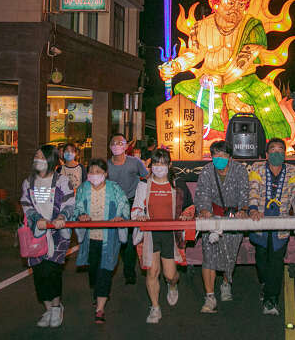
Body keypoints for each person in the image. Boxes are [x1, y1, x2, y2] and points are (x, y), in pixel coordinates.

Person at [247, 138, 295, 316]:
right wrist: (252, 209)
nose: (276, 153)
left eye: (280, 149)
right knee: (261, 260)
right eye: (272, 150)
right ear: (266, 155)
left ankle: (271, 299)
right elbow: (253, 189)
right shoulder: (257, 168)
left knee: (276, 261)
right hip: (259, 221)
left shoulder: (291, 170)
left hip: (281, 223)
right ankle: (266, 284)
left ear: (285, 153)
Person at [132, 149, 195, 324]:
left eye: (163, 163)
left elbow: (190, 207)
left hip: (170, 235)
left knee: (170, 274)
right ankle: (155, 307)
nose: (159, 167)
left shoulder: (177, 185)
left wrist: (186, 215)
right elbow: (136, 208)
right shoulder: (143, 185)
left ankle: (172, 285)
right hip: (150, 234)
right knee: (152, 272)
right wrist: (140, 216)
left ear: (170, 165)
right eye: (156, 163)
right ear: (151, 165)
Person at [20, 145, 74, 328]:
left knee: (52, 270)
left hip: (57, 234)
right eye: (36, 157)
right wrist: (37, 219)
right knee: (39, 273)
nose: (37, 160)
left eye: (41, 156)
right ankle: (48, 308)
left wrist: (61, 217)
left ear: (50, 160)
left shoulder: (62, 181)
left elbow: (69, 203)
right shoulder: (28, 182)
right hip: (36, 234)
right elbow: (26, 205)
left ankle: (57, 307)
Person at [194, 140, 250, 313]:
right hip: (212, 216)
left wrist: (243, 210)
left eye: (223, 155)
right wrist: (204, 210)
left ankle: (226, 282)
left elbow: (245, 193)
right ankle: (209, 296)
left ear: (230, 157)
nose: (219, 158)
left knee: (229, 254)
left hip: (233, 218)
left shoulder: (240, 170)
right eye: (215, 155)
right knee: (209, 255)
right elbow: (202, 193)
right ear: (211, 157)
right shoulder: (206, 171)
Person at [73, 159, 129, 324]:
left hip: (109, 237)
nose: (94, 175)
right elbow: (77, 207)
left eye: (98, 172)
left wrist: (120, 217)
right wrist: (81, 215)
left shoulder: (114, 188)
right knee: (93, 270)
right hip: (90, 239)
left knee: (105, 271)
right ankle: (98, 291)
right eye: (91, 172)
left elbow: (124, 204)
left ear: (105, 174)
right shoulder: (83, 188)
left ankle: (100, 308)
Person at [107, 133, 149, 285]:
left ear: (126, 146)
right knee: (117, 237)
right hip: (114, 205)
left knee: (130, 239)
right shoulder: (106, 165)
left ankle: (129, 270)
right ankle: (111, 269)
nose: (117, 145)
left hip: (131, 203)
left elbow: (146, 177)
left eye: (120, 143)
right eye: (114, 142)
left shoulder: (135, 162)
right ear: (110, 146)